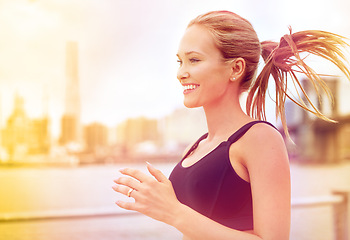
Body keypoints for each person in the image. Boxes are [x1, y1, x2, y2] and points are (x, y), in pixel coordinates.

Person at [112, 10, 350, 240]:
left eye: (193, 60)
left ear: (235, 68)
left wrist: (173, 212)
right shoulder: (194, 149)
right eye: (180, 61)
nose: (181, 73)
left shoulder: (260, 138)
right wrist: (160, 204)